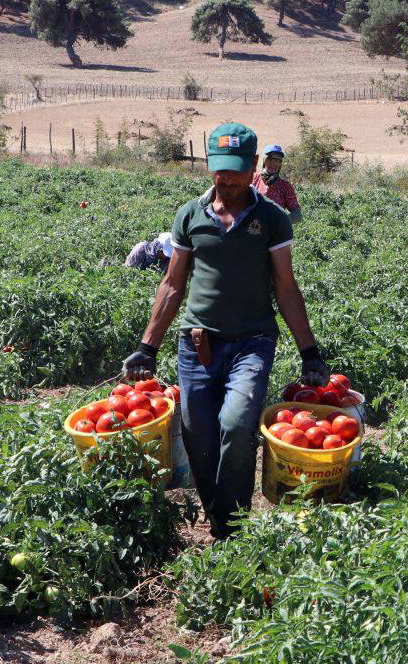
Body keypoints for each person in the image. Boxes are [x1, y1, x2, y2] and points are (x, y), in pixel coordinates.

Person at [121, 122, 330, 539]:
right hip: (197, 342)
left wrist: (310, 351)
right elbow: (172, 285)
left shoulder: (270, 218)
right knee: (199, 435)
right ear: (210, 166)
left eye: (236, 170)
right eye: (221, 170)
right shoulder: (190, 215)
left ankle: (232, 527)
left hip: (252, 341)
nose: (228, 179)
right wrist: (147, 346)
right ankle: (219, 518)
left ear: (252, 166)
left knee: (236, 425)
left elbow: (286, 288)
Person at [252, 144, 302, 223]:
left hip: (274, 233)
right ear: (264, 161)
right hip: (251, 229)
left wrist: (278, 222)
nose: (274, 163)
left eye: (277, 160)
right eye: (270, 159)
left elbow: (297, 215)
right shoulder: (252, 179)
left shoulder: (285, 186)